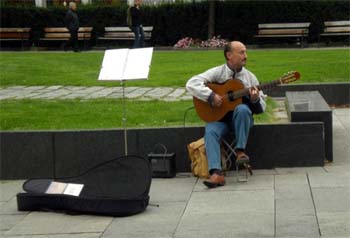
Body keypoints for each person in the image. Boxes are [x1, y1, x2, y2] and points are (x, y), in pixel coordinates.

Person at [186, 41, 266, 189]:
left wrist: (255, 99)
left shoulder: (250, 78)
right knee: (210, 130)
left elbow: (262, 107)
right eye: (241, 52)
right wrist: (210, 96)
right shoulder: (218, 72)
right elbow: (191, 83)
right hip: (220, 119)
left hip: (241, 123)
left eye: (245, 52)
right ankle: (216, 173)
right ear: (229, 55)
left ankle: (240, 152)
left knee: (242, 109)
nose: (246, 56)